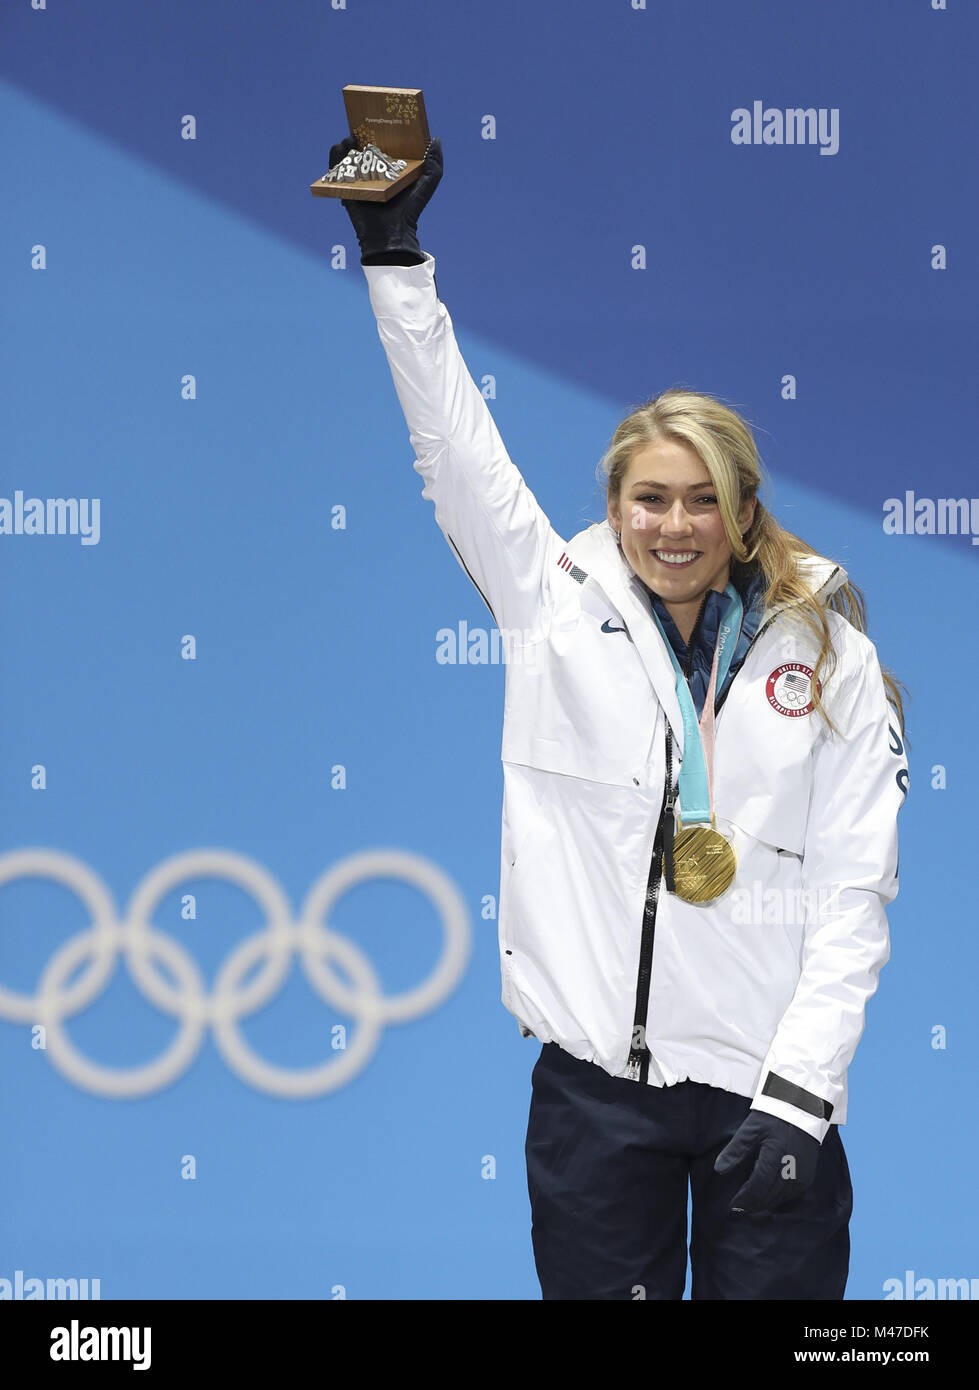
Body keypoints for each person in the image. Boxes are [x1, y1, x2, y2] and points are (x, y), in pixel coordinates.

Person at [329, 134, 910, 1300]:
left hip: (768, 1090)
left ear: (744, 510)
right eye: (651, 498)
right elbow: (453, 449)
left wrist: (802, 1096)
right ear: (613, 504)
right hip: (597, 1098)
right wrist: (395, 259)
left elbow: (852, 894)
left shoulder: (828, 644)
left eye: (705, 499)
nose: (675, 524)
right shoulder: (549, 599)